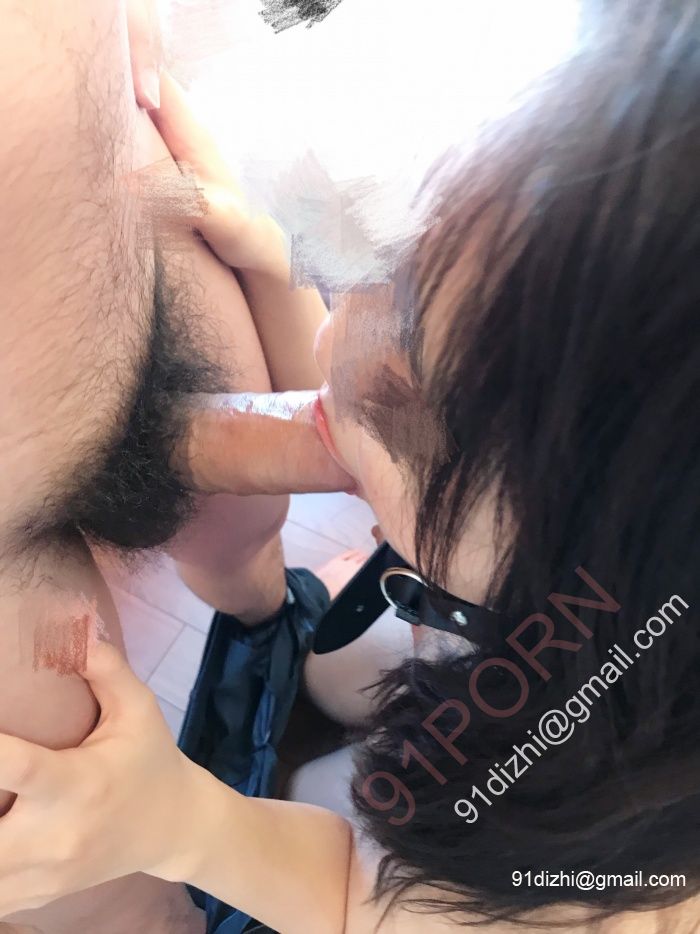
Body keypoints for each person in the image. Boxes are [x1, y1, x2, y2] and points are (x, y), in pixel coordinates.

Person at [1, 0, 699, 932]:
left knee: (341, 785)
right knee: (334, 672)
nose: (337, 339)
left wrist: (175, 821)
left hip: (401, 880)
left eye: (407, 414)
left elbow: (353, 900)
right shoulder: (573, 556)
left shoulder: (588, 894)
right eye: (400, 271)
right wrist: (270, 261)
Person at [0, 2, 346, 932]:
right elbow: (344, 423)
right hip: (111, 191)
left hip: (117, 227)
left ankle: (271, 626)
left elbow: (349, 430)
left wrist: (187, 825)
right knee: (84, 862)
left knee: (242, 535)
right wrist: (270, 260)